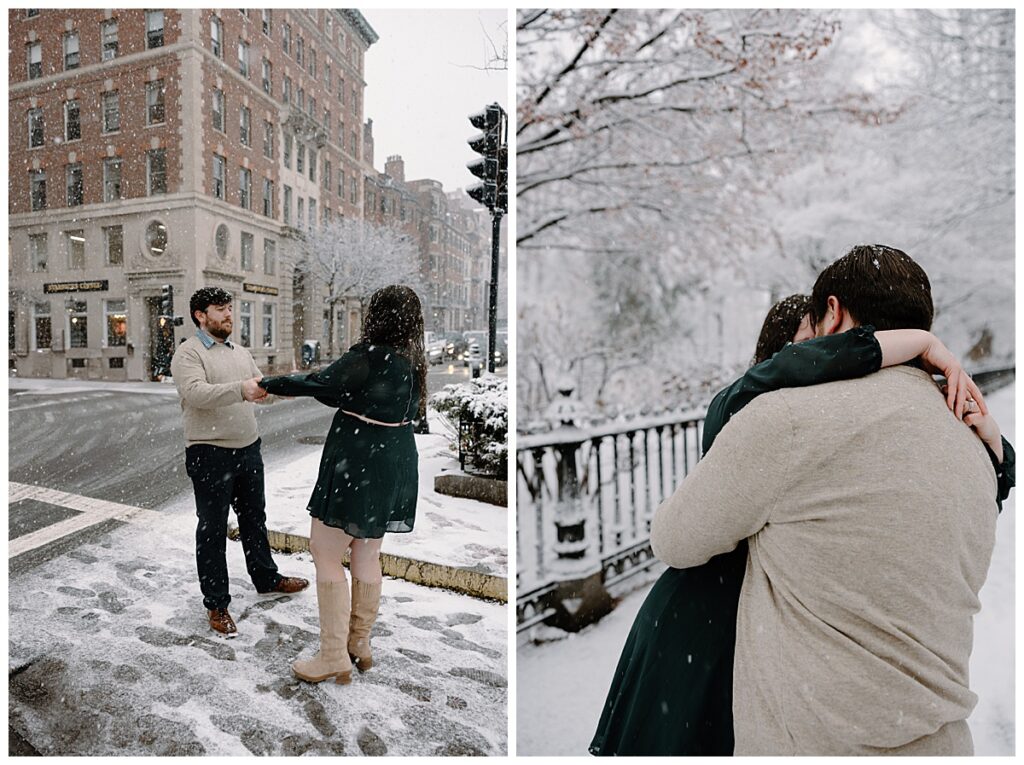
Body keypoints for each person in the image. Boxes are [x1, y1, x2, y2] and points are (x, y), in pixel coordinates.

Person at [591, 287, 1014, 756]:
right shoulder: (751, 407)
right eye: (816, 347)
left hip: (769, 652)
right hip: (705, 634)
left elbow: (942, 496)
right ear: (782, 357)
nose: (831, 360)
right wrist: (917, 343)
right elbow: (674, 538)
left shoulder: (823, 421)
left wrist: (996, 449)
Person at [257, 285, 426, 685]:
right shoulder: (413, 359)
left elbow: (323, 384)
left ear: (376, 315)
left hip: (360, 461)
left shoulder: (370, 356)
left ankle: (333, 654)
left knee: (325, 551)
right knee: (367, 554)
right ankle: (359, 645)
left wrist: (268, 383)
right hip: (395, 460)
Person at [170, 287, 309, 637]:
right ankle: (216, 603)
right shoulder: (188, 353)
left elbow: (257, 390)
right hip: (209, 452)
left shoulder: (240, 352)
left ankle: (266, 577)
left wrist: (276, 388)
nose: (229, 315)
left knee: (254, 519)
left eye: (230, 309)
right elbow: (196, 394)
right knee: (213, 528)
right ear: (201, 315)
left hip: (248, 448)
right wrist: (241, 390)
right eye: (221, 309)